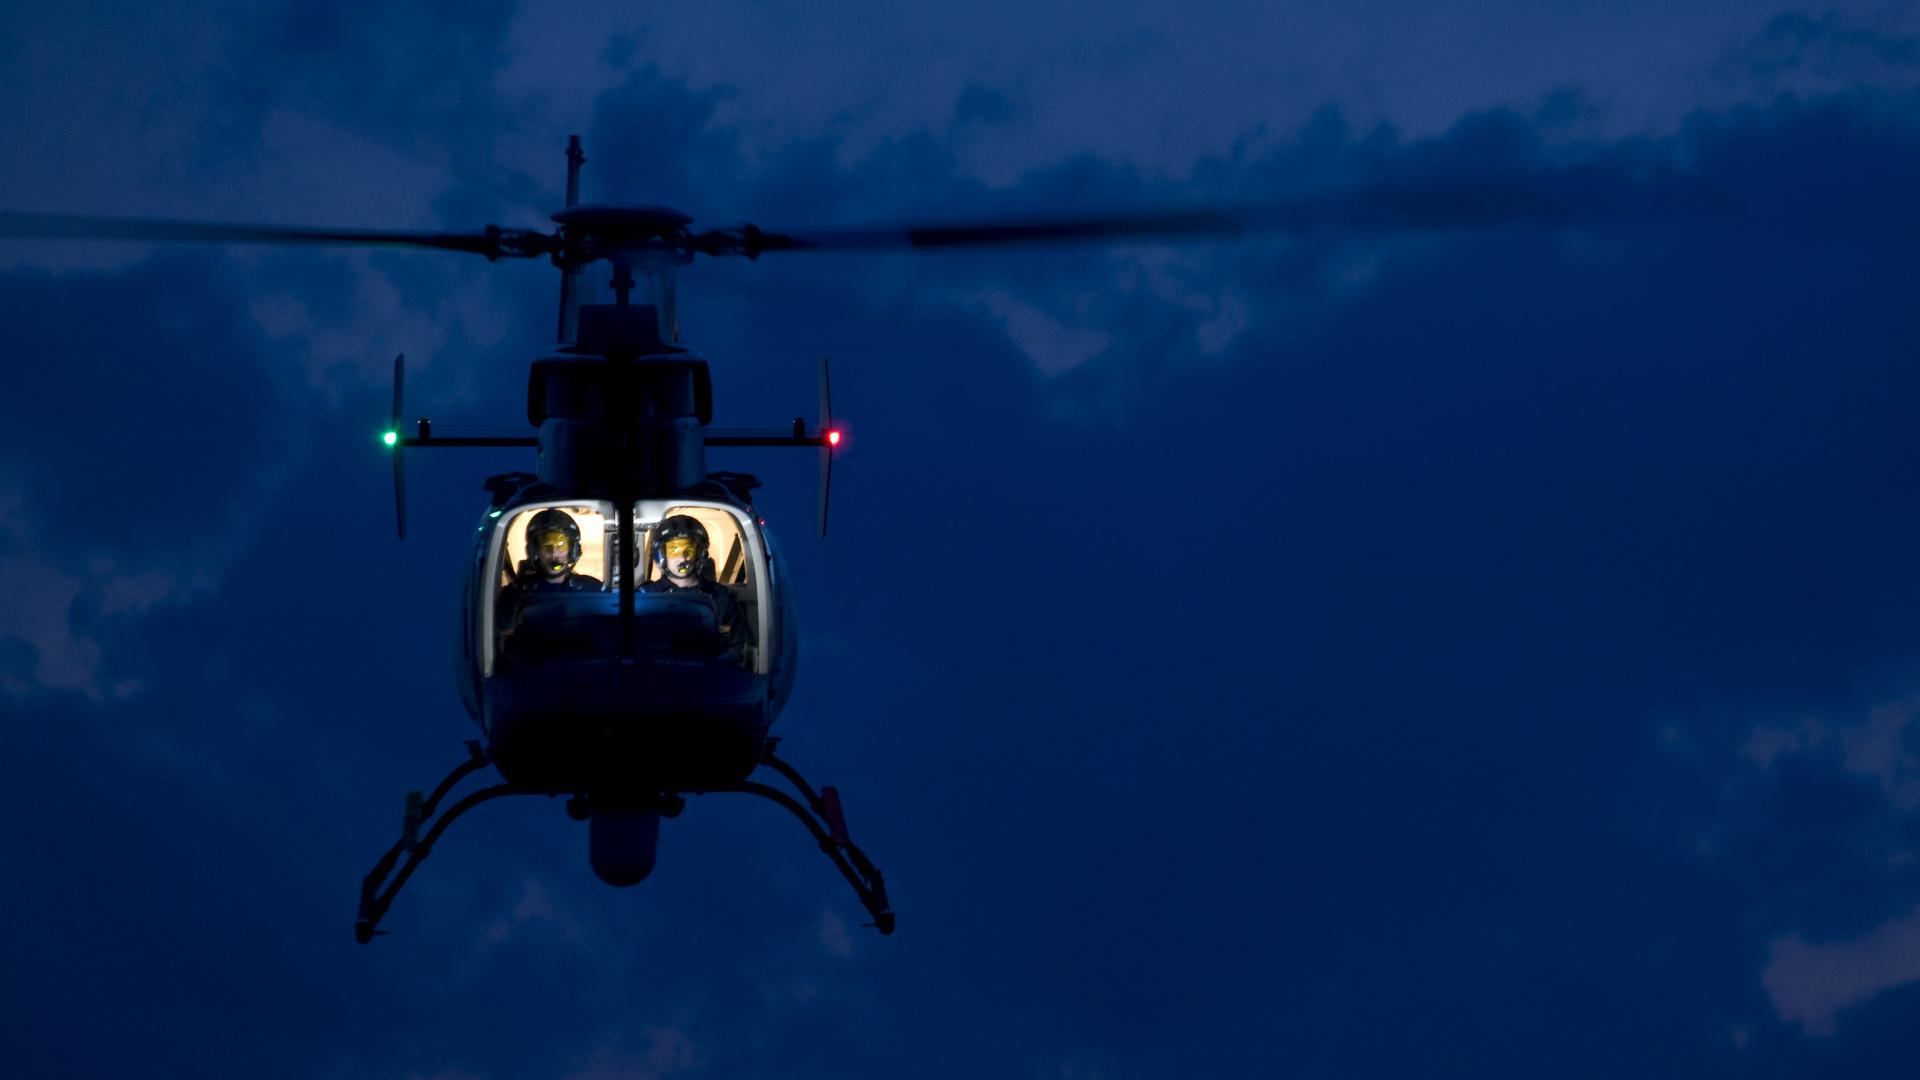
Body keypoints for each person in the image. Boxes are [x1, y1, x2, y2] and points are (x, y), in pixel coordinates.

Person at [640, 514, 753, 659]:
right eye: (674, 550)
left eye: (689, 549)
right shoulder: (645, 598)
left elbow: (742, 649)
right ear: (661, 555)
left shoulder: (722, 598)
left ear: (700, 554)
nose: (682, 557)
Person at [497, 508, 603, 627]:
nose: (553, 553)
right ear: (534, 552)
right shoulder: (515, 595)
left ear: (572, 551)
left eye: (561, 545)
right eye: (546, 545)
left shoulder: (593, 590)